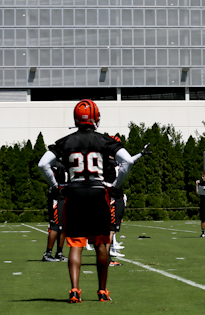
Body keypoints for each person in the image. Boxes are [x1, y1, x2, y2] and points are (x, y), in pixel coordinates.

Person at [38, 99, 136, 303]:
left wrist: (57, 185)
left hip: (74, 194)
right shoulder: (104, 140)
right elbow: (127, 161)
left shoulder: (65, 141)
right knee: (101, 243)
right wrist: (116, 184)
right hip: (98, 193)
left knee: (75, 244)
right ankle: (102, 291)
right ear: (96, 118)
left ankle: (74, 290)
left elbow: (43, 164)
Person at [43, 163, 67, 262]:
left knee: (63, 227)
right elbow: (48, 172)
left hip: (65, 196)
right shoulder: (55, 163)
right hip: (57, 197)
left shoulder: (67, 163)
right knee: (55, 226)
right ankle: (48, 253)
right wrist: (56, 185)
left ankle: (59, 253)